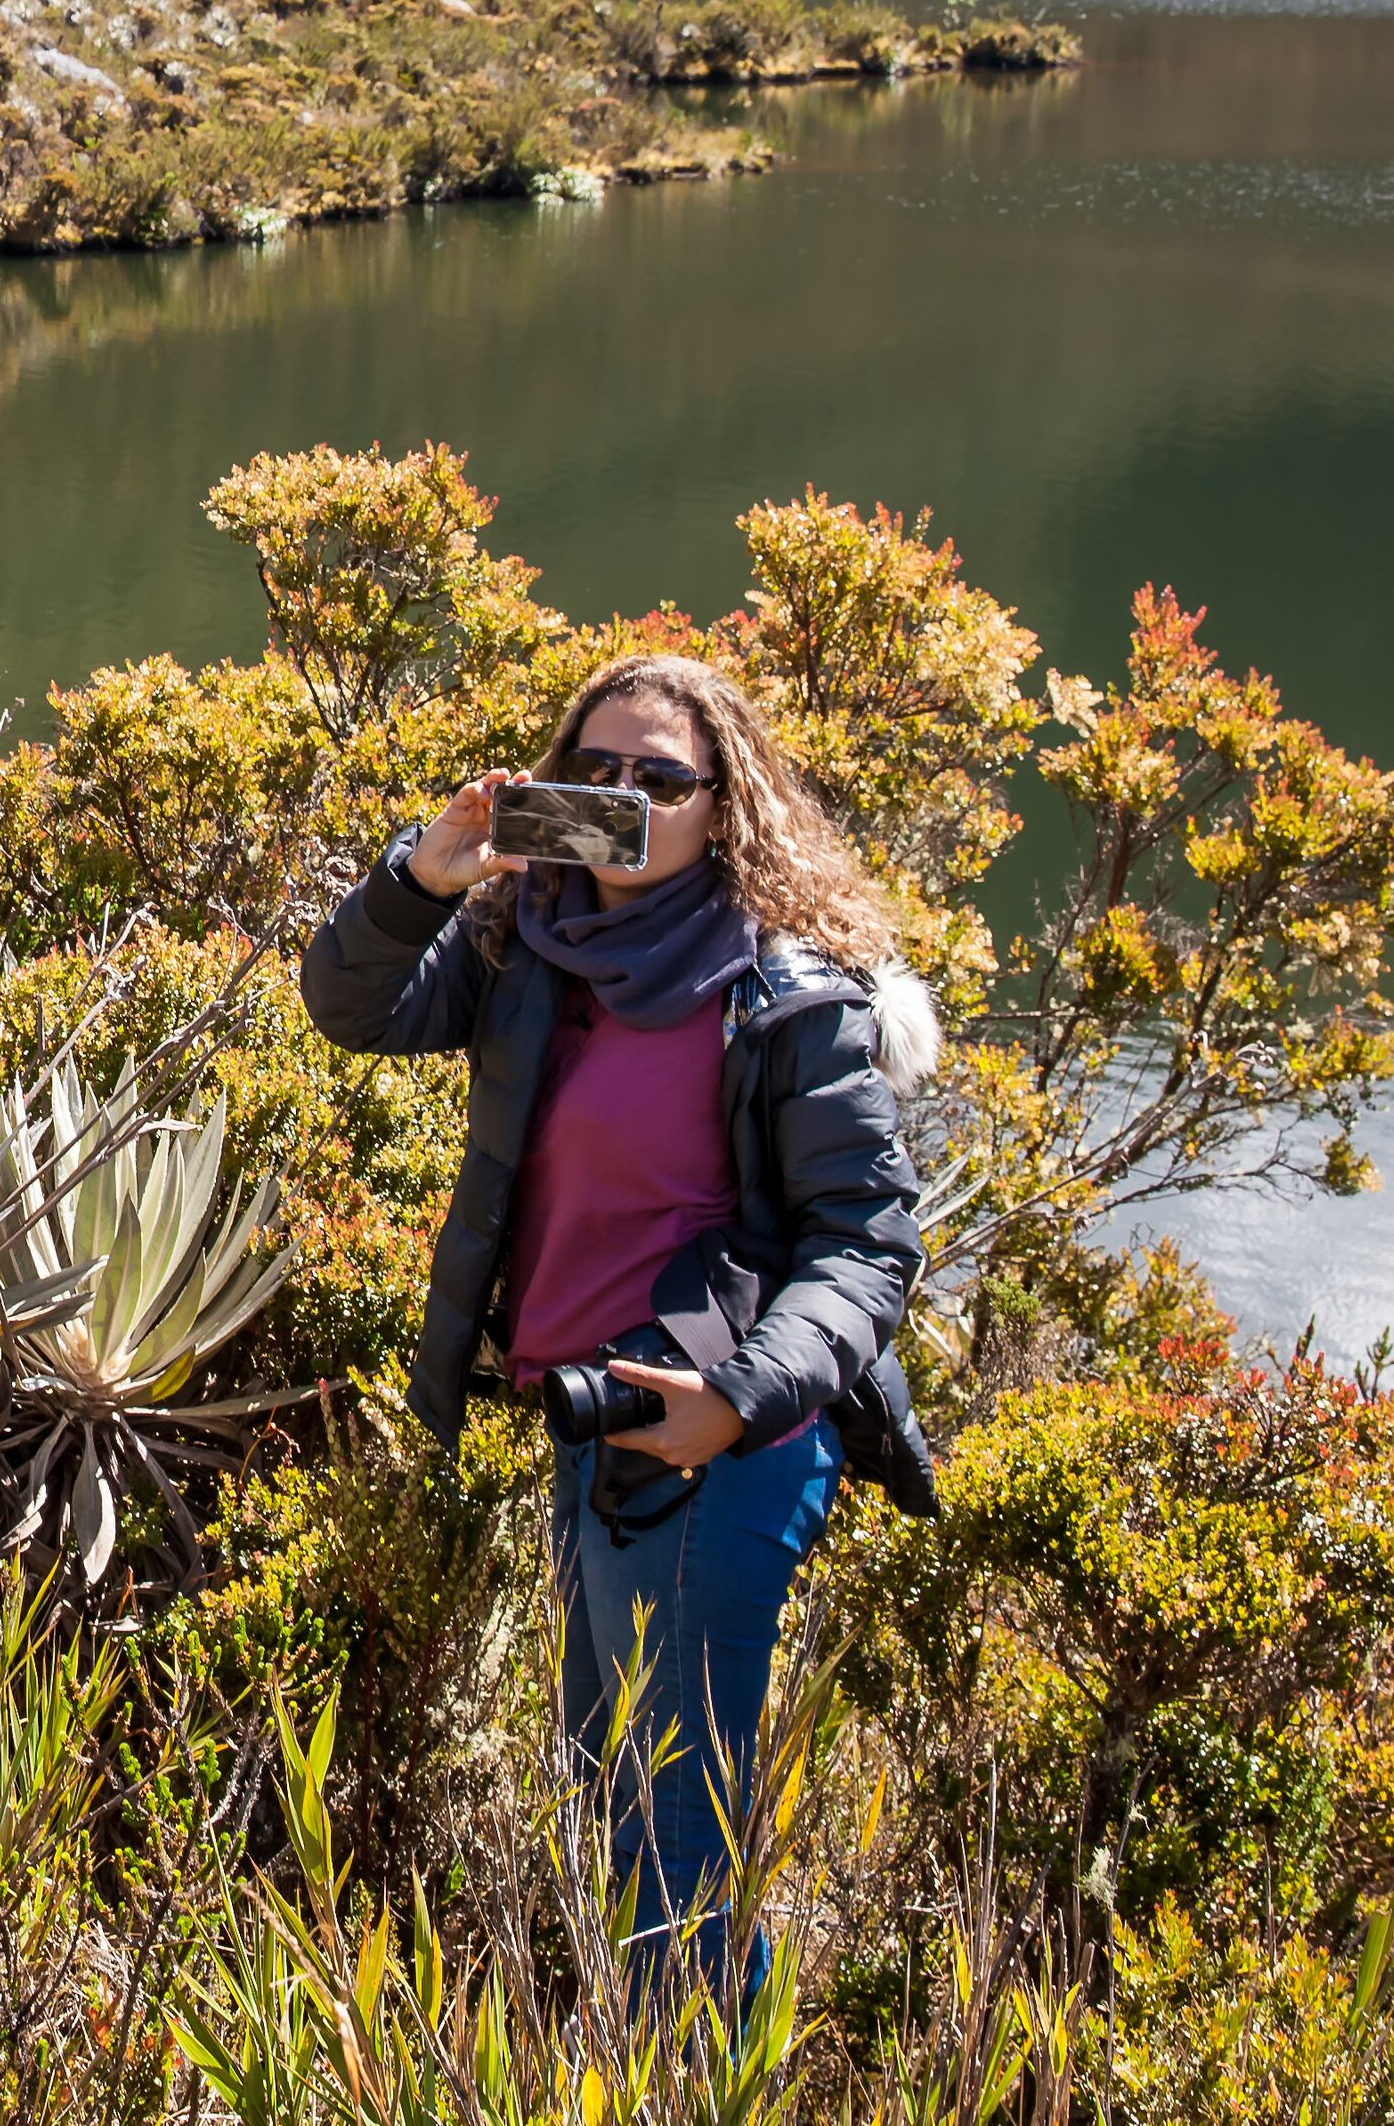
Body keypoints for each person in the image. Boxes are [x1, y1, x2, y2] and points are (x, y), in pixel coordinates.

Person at [297, 647, 932, 1965]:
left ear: (725, 805)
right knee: (617, 1796)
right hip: (589, 1427)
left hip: (722, 1448)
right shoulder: (531, 945)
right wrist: (427, 872)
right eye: (593, 770)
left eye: (660, 776)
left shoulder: (784, 992)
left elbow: (865, 1243)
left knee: (677, 1844)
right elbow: (347, 1004)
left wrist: (740, 1400)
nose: (624, 794)